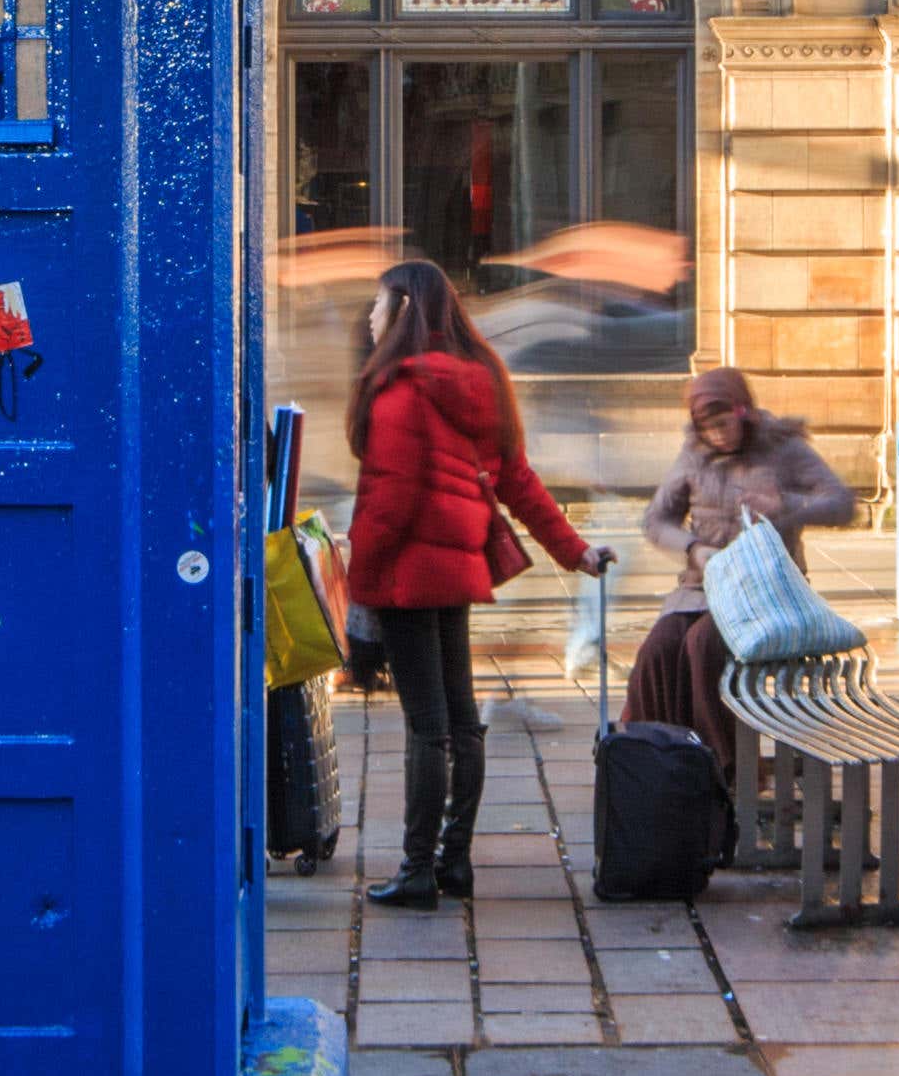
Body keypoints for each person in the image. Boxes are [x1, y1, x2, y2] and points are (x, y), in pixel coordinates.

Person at [338, 257, 607, 911]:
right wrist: (575, 552)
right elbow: (516, 477)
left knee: (428, 725)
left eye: (377, 306)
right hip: (455, 572)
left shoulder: (400, 391)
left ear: (401, 311)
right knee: (461, 718)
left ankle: (416, 869)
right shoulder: (476, 381)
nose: (369, 318)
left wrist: (356, 586)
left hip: (405, 575)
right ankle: (453, 860)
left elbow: (387, 504)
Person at [624, 365, 858, 816]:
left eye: (724, 424)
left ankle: (724, 770)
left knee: (703, 645)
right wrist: (693, 548)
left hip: (766, 596)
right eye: (707, 429)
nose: (717, 436)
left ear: (743, 412)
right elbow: (656, 520)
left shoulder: (784, 448)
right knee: (657, 650)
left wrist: (787, 505)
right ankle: (652, 761)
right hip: (703, 588)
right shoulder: (692, 455)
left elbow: (842, 503)